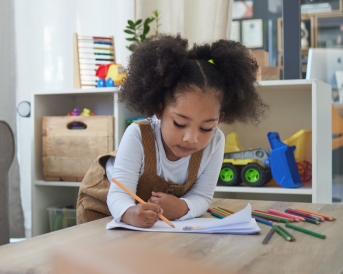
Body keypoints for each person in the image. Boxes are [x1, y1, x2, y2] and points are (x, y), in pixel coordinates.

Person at [76, 34, 267, 228]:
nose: (191, 138)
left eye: (206, 127)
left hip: (150, 225)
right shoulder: (137, 135)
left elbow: (202, 196)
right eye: (179, 124)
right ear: (159, 110)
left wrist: (183, 207)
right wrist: (129, 212)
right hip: (103, 208)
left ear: (220, 119)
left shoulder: (216, 141)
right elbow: (119, 194)